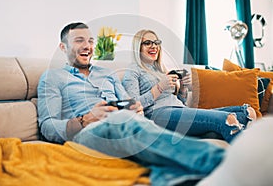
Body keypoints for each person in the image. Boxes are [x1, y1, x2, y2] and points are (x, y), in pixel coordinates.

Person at [37, 22, 226, 185]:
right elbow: (47, 125)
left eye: (90, 41)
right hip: (85, 133)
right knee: (124, 122)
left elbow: (131, 102)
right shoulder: (52, 77)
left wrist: (137, 108)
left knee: (132, 123)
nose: (87, 46)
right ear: (63, 47)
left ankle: (175, 179)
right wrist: (85, 120)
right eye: (79, 41)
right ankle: (224, 164)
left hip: (126, 122)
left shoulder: (108, 73)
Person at [122, 29, 257, 143]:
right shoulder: (133, 71)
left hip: (178, 109)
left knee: (247, 112)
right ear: (138, 47)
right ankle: (248, 165)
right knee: (227, 119)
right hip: (158, 114)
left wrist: (183, 88)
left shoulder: (161, 70)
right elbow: (133, 107)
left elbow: (180, 103)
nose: (154, 46)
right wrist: (159, 88)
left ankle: (207, 134)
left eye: (156, 42)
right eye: (147, 43)